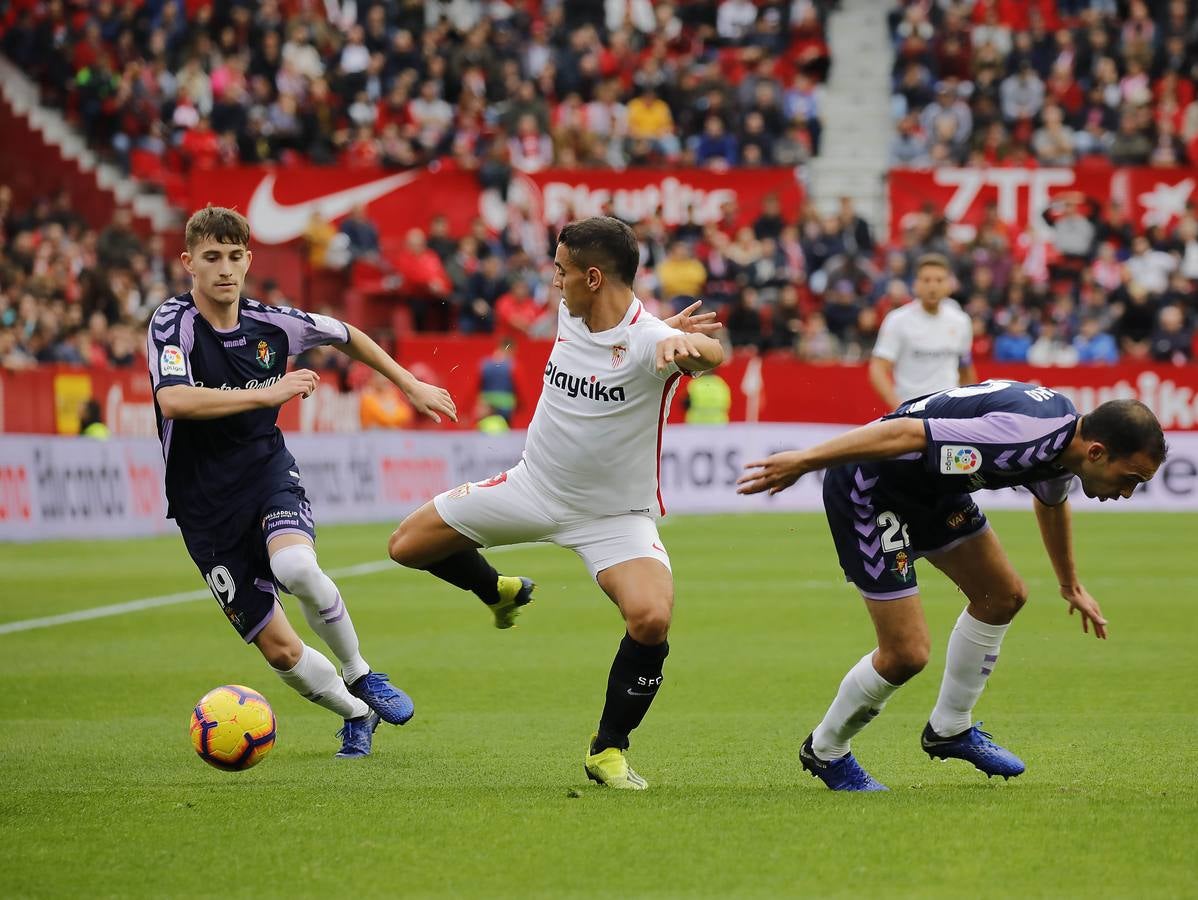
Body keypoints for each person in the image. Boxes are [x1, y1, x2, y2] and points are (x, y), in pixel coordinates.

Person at [387, 216, 724, 789]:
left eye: (562, 272)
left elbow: (702, 354)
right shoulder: (576, 316)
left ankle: (608, 749)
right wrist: (661, 328)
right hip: (532, 488)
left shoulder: (652, 346)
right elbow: (622, 328)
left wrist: (689, 345)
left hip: (613, 517)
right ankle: (496, 589)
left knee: (651, 618)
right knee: (406, 545)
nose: (555, 282)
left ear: (593, 277)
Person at [738, 382, 1166, 791]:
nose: (1127, 492)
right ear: (1096, 451)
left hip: (934, 492)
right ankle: (826, 750)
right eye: (1131, 478)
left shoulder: (1062, 450)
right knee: (906, 654)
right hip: (870, 489)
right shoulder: (1023, 436)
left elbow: (1052, 503)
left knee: (1003, 596)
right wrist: (807, 460)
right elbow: (905, 431)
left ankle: (949, 728)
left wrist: (1070, 584)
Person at [147, 206, 457, 759]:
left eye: (235, 256)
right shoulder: (172, 324)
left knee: (295, 566)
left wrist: (409, 383)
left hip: (265, 473)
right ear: (187, 262)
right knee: (281, 652)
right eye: (211, 257)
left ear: (249, 260)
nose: (224, 269)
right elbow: (173, 399)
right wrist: (265, 394)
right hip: (203, 507)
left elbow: (346, 334)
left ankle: (361, 675)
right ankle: (357, 714)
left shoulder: (272, 322)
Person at [869, 254, 975, 410]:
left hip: (950, 413)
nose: (932, 286)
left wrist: (970, 407)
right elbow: (877, 369)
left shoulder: (961, 321)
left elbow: (965, 368)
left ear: (949, 284)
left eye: (939, 280)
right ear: (915, 284)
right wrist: (899, 408)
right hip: (912, 412)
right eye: (926, 280)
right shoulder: (897, 320)